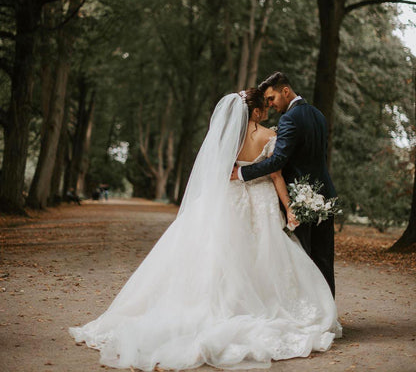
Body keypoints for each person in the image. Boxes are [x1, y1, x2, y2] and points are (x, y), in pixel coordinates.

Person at [70, 90, 341, 371]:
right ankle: (258, 304)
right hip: (260, 203)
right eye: (265, 108)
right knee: (262, 254)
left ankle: (213, 304)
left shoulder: (226, 139)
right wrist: (289, 207)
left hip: (228, 199)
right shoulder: (268, 137)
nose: (269, 111)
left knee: (218, 253)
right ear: (257, 113)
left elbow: (219, 172)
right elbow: (274, 174)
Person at [231, 72, 336, 296]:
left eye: (271, 98)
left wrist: (241, 172)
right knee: (324, 258)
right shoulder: (318, 114)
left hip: (301, 196)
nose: (270, 104)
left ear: (285, 91)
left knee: (304, 258)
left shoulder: (289, 119)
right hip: (325, 194)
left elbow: (277, 162)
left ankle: (316, 311)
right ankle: (329, 311)